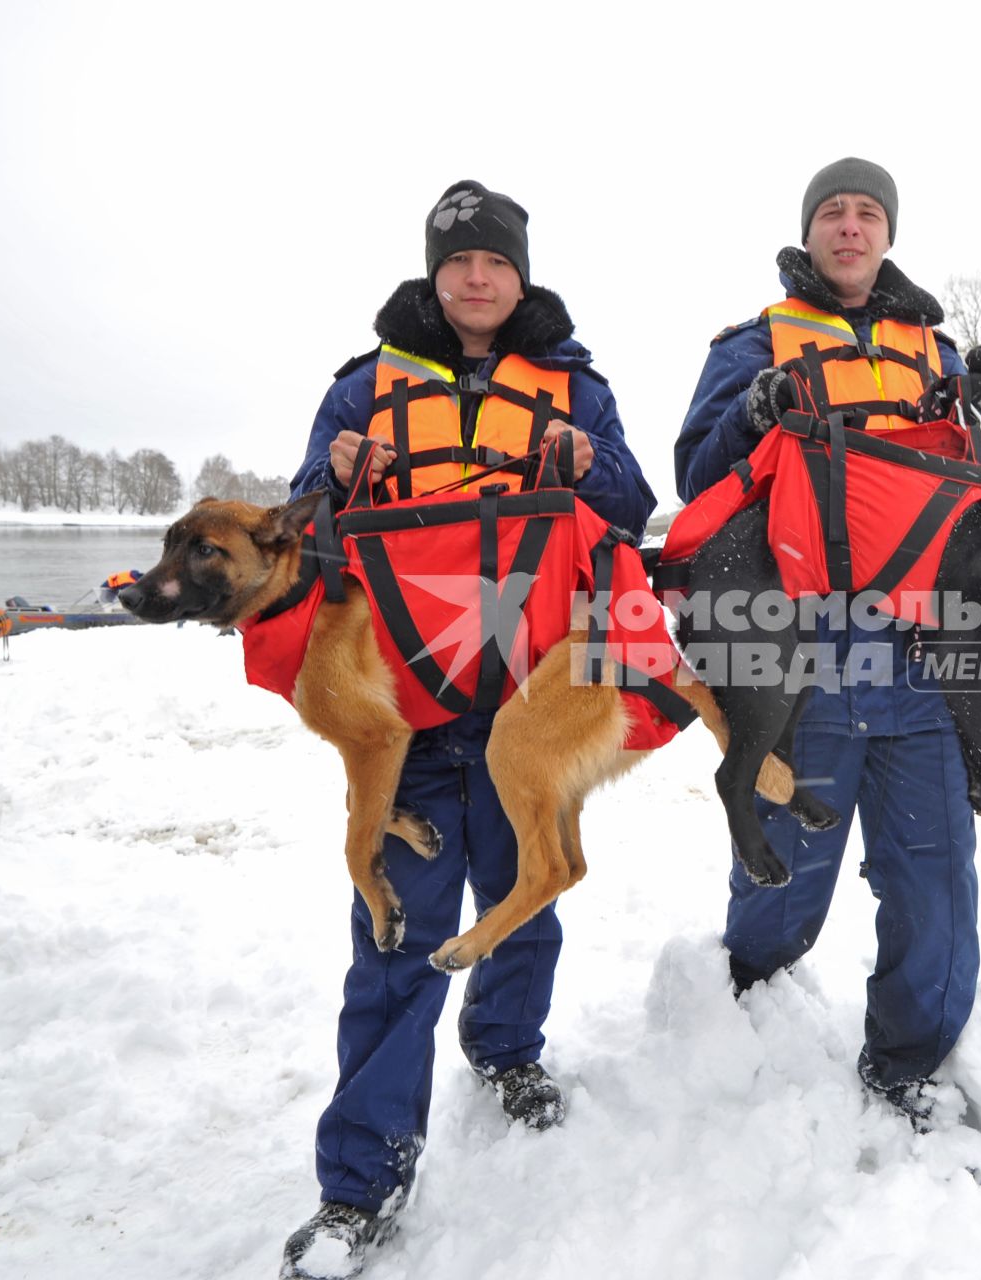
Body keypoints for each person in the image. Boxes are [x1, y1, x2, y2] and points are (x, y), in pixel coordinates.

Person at [280, 180, 656, 1280]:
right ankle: (360, 1182)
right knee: (392, 939)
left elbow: (632, 502)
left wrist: (593, 466)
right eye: (458, 263)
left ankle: (507, 1046)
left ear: (519, 273)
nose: (477, 278)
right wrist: (330, 476)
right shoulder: (361, 389)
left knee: (523, 894)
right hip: (403, 707)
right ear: (435, 275)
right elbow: (300, 524)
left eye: (494, 261)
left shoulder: (575, 388)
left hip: (526, 704)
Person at [675, 157, 981, 1131]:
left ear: (888, 233)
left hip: (919, 665)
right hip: (799, 663)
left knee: (934, 885)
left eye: (868, 212)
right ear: (810, 231)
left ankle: (909, 1061)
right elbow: (695, 473)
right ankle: (744, 1001)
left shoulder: (935, 352)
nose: (850, 226)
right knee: (778, 879)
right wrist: (751, 411)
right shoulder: (751, 344)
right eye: (833, 212)